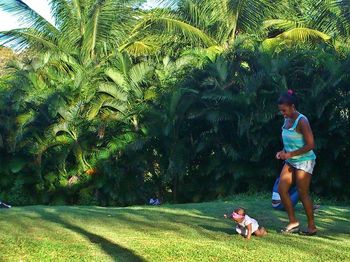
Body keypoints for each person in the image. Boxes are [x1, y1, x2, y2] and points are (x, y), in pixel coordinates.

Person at [276, 89, 317, 236]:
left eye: (284, 110)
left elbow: (311, 144)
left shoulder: (302, 121)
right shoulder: (287, 119)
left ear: (293, 106)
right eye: (281, 111)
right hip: (291, 160)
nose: (283, 113)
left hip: (305, 161)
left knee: (302, 193)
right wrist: (282, 152)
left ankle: (312, 227)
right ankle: (293, 222)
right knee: (282, 189)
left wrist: (289, 154)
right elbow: (290, 141)